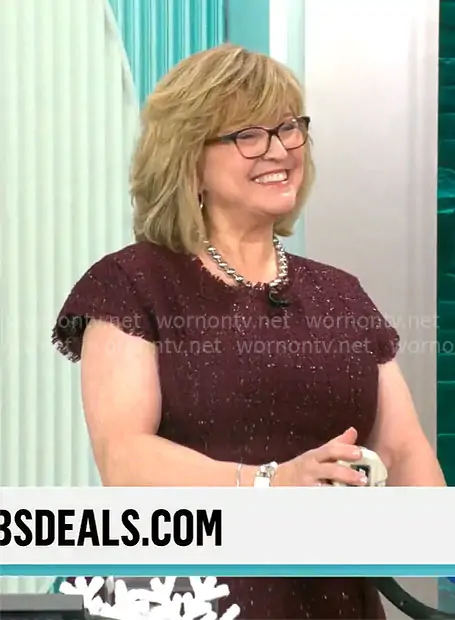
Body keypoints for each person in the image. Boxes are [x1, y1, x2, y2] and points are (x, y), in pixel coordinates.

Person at [52, 43, 445, 619]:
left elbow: (403, 449)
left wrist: (440, 540)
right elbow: (125, 459)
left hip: (332, 600)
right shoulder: (132, 282)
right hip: (191, 598)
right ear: (188, 160)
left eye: (288, 129)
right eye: (249, 135)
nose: (279, 150)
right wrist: (271, 484)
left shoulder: (341, 292)